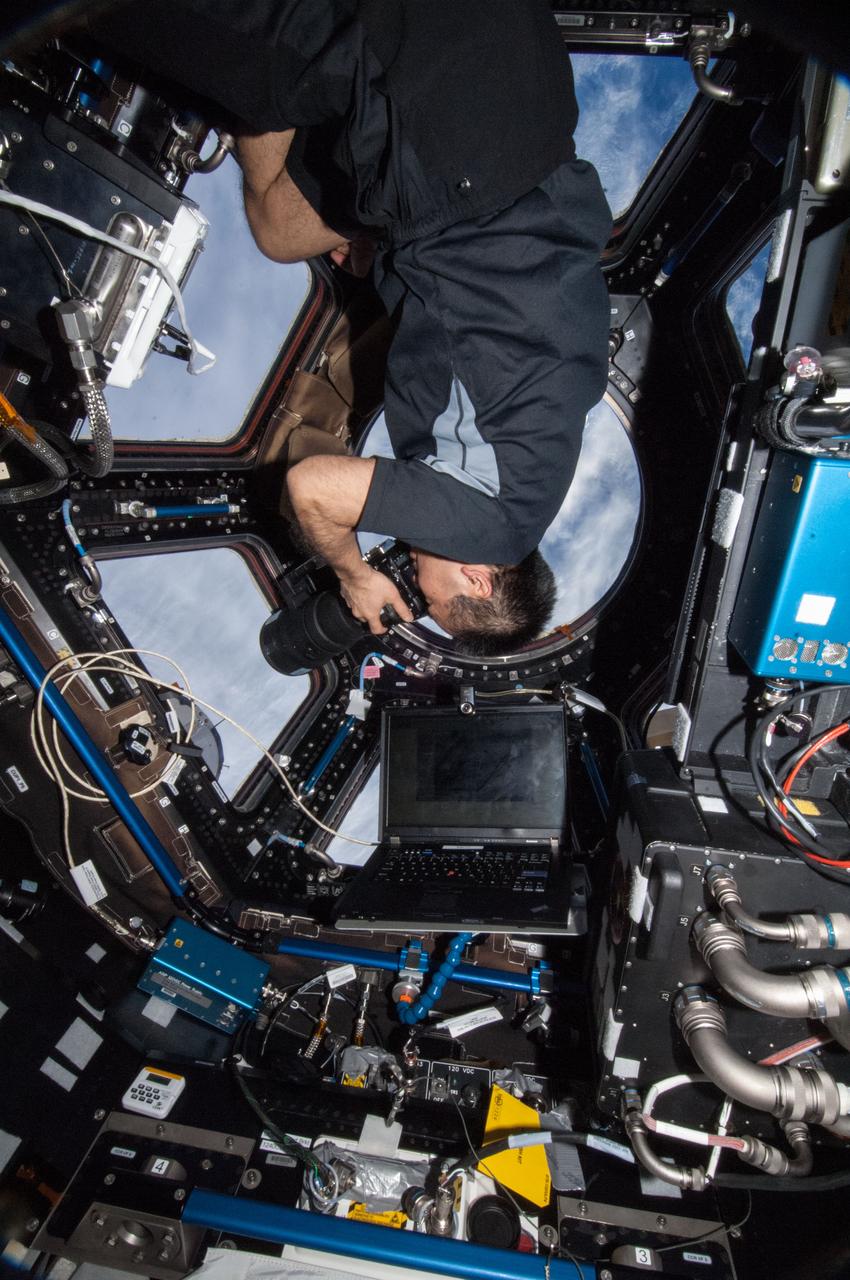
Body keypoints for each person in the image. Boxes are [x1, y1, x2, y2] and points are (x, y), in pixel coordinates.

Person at [92, 0, 612, 651]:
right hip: (446, 136)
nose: (414, 581)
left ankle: (256, 85)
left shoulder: (531, 469)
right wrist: (354, 575)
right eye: (432, 599)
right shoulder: (489, 525)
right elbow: (311, 488)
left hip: (517, 115)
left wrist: (390, 257)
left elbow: (491, 324)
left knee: (283, 228)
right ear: (478, 580)